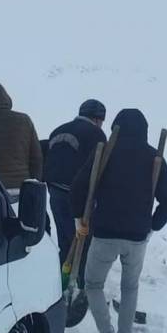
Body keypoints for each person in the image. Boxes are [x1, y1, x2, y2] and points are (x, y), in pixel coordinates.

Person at [71, 109, 167, 333]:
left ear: (115, 127)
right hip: (137, 237)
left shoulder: (105, 152)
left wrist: (78, 219)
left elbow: (79, 187)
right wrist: (152, 225)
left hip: (105, 232)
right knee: (130, 287)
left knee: (93, 284)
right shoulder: (156, 158)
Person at [45, 99, 107, 288]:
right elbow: (100, 169)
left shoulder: (58, 130)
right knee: (83, 241)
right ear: (97, 119)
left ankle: (61, 279)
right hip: (80, 196)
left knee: (65, 237)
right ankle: (81, 282)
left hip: (54, 190)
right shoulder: (97, 135)